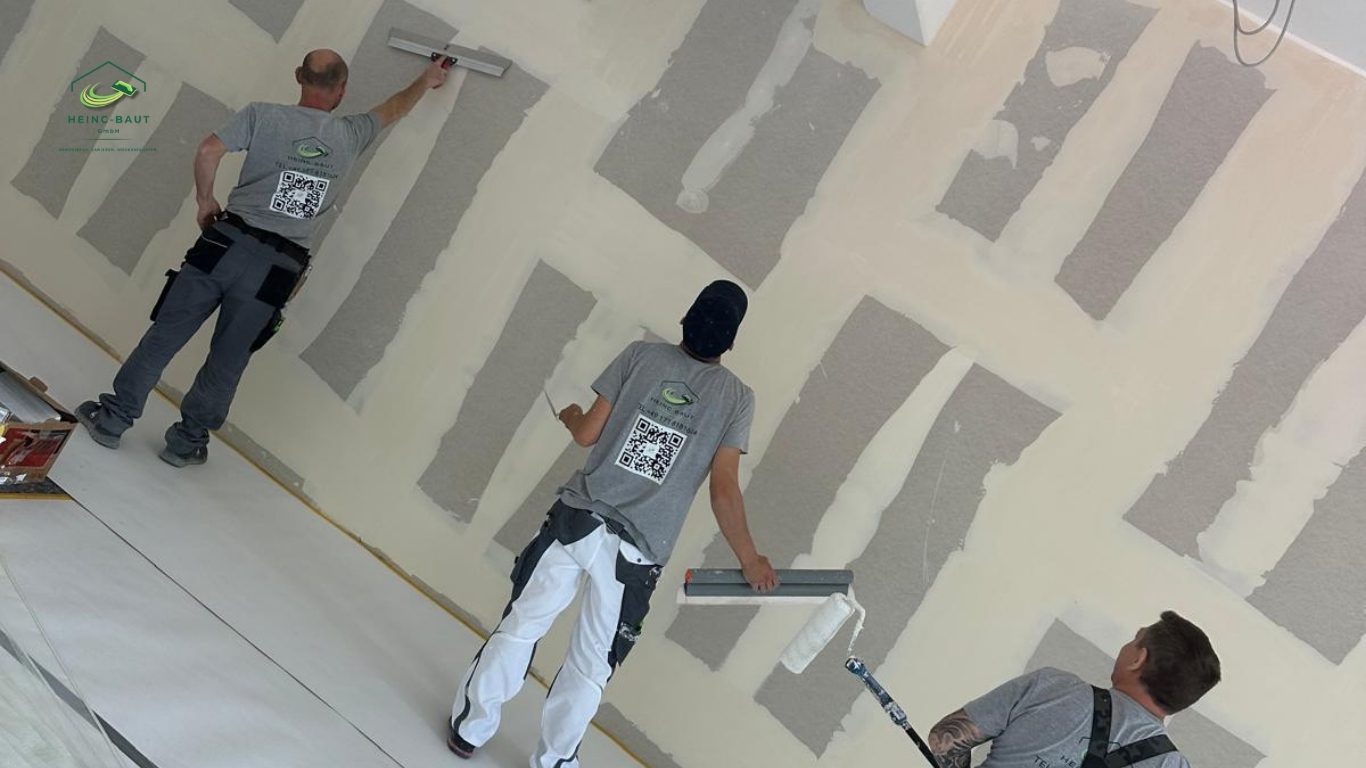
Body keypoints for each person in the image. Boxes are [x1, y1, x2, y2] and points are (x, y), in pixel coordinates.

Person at [448, 280, 781, 767]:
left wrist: (571, 415)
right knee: (590, 667)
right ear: (731, 341)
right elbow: (723, 489)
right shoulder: (736, 399)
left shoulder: (640, 356)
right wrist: (749, 559)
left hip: (576, 522)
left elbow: (587, 434)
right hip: (636, 554)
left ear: (686, 316)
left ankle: (470, 730)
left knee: (521, 626)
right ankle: (554, 762)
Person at [75, 50, 448, 466]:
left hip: (224, 245)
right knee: (228, 359)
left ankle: (112, 420)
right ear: (342, 89)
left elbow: (208, 151)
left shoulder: (263, 116)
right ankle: (186, 443)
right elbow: (394, 108)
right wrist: (427, 79)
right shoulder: (350, 134)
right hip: (277, 270)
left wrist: (204, 201)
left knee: (165, 335)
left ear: (298, 77)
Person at [926, 611, 1222, 768]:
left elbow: (945, 739)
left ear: (1138, 659)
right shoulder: (1171, 765)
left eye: (1135, 640)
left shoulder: (1052, 687)